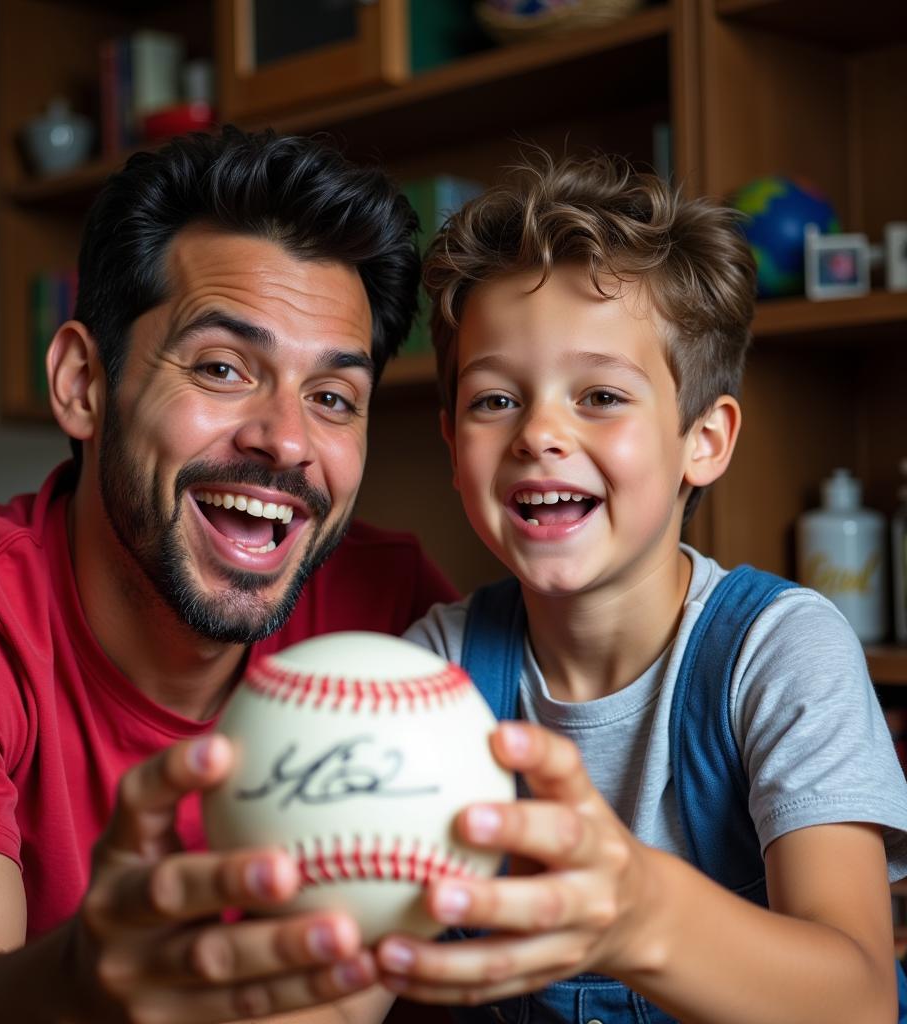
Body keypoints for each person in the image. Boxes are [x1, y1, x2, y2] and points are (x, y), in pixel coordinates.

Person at [0, 125, 459, 1023]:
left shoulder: (392, 611)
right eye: (224, 368)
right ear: (82, 383)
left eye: (333, 398)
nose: (289, 440)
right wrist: (81, 981)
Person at [363, 152, 907, 1023]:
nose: (540, 431)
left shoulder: (779, 651)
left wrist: (638, 914)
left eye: (601, 395)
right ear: (451, 446)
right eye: (494, 400)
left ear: (706, 439)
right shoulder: (436, 666)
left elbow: (860, 998)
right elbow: (353, 980)